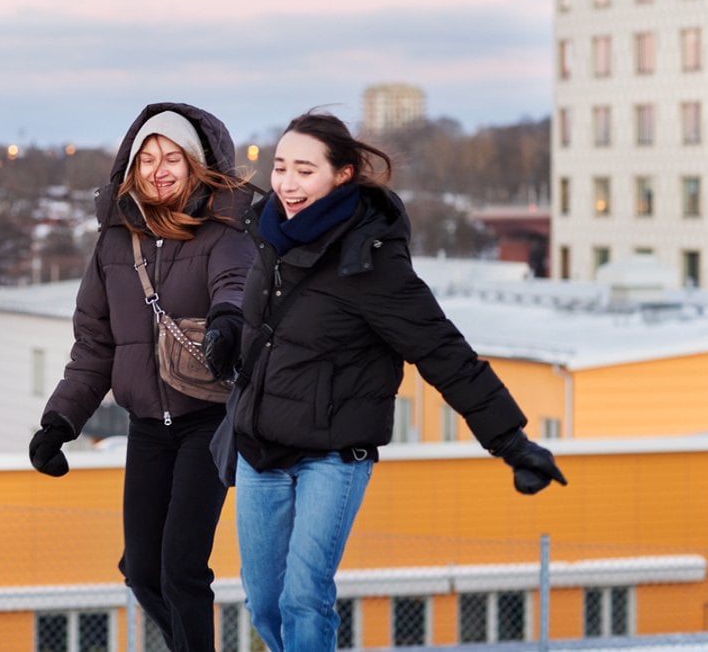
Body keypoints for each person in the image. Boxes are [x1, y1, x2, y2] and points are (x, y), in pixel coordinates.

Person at [215, 110, 567, 652]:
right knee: (264, 603)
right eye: (281, 166)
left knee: (302, 598)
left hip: (331, 455)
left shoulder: (372, 263)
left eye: (305, 170)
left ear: (343, 175)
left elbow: (443, 352)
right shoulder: (269, 239)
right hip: (260, 450)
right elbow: (272, 333)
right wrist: (228, 338)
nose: (287, 182)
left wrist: (511, 442)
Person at [29, 102, 255, 652]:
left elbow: (235, 283)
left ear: (196, 164)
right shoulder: (113, 243)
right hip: (148, 428)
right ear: (132, 169)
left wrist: (229, 320)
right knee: (142, 570)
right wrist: (60, 421)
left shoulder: (224, 230)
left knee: (181, 567)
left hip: (208, 418)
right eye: (147, 157)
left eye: (172, 157)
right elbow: (95, 344)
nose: (158, 168)